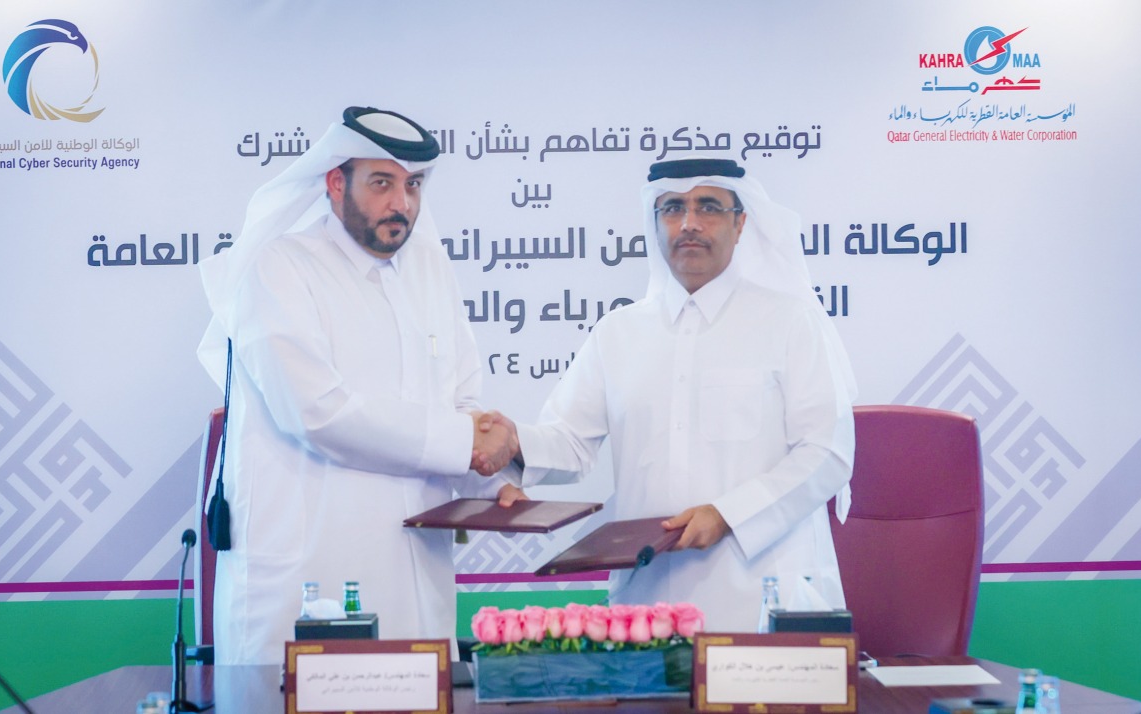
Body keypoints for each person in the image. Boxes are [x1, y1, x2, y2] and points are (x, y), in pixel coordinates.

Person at [197, 106, 520, 666]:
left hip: (417, 571)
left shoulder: (429, 271)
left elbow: (462, 400)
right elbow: (319, 414)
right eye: (382, 183)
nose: (403, 203)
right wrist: (468, 443)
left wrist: (494, 482)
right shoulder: (278, 268)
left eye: (413, 185)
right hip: (310, 575)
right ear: (334, 182)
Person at [480, 157, 857, 631]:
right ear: (654, 223)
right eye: (673, 208)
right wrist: (515, 443)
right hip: (648, 603)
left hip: (761, 594)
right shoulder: (618, 332)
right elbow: (571, 441)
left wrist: (727, 515)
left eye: (710, 208)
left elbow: (827, 453)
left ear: (740, 224)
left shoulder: (790, 322)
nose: (690, 224)